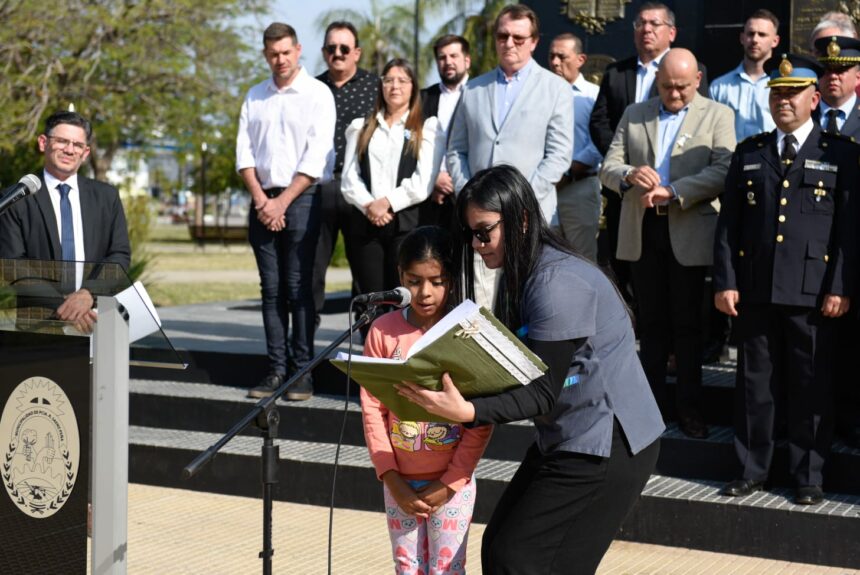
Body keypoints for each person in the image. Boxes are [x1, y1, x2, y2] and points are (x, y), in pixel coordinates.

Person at [397, 165, 664, 575]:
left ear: (521, 219)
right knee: (504, 548)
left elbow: (541, 391)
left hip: (608, 445)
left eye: (484, 231)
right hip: (569, 436)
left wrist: (466, 410)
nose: (477, 244)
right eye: (470, 234)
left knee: (520, 558)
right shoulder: (527, 272)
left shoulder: (556, 283)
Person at [714, 54, 857, 505]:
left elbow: (848, 230)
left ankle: (808, 474)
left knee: (810, 383)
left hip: (812, 291)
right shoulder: (751, 151)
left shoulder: (841, 153)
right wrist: (726, 280)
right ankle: (751, 468)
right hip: (756, 287)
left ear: (814, 99)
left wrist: (840, 285)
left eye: (792, 93)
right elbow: (729, 226)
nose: (783, 101)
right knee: (755, 383)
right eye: (777, 93)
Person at [600, 48, 735, 438]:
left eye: (681, 88)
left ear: (697, 80)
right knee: (652, 324)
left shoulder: (717, 114)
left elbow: (724, 169)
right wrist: (628, 174)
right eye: (666, 87)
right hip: (643, 230)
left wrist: (675, 191)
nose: (674, 95)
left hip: (688, 227)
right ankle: (650, 408)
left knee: (689, 325)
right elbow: (607, 166)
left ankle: (690, 409)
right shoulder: (635, 113)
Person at [361, 225, 492, 575]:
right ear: (400, 276)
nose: (425, 292)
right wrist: (390, 477)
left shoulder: (467, 331)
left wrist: (450, 483)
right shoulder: (383, 331)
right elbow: (373, 409)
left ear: (452, 279)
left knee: (447, 568)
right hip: (398, 482)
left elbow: (480, 417)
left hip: (453, 485)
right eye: (414, 280)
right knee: (407, 568)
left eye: (437, 281)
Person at [446, 3, 573, 307]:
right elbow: (456, 150)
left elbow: (558, 155)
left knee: (529, 302)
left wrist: (519, 202)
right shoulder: (473, 89)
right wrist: (469, 196)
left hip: (532, 217)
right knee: (482, 304)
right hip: (479, 224)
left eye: (518, 37)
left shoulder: (555, 88)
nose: (509, 43)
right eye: (503, 36)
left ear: (534, 41)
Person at [236, 22, 336, 401]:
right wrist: (264, 200)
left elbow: (316, 155)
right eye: (272, 54)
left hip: (303, 199)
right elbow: (243, 153)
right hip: (261, 200)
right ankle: (276, 370)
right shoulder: (254, 96)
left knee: (298, 289)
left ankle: (302, 372)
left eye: (286, 52)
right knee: (271, 290)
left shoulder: (317, 94)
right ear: (266, 55)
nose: (280, 60)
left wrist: (282, 202)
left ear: (298, 50)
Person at [590, 2, 708, 304]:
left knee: (679, 296)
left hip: (676, 197)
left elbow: (697, 127)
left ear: (671, 32)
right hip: (628, 190)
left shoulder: (693, 71)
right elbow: (600, 120)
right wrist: (625, 163)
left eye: (654, 24)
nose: (646, 29)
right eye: (640, 23)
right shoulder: (617, 72)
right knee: (630, 278)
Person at [0, 110, 131, 334]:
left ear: (86, 152)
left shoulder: (106, 196)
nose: (70, 150)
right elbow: (13, 263)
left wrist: (88, 295)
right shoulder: (18, 197)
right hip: (39, 322)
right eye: (61, 141)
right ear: (43, 142)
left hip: (94, 319)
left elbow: (119, 255)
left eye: (77, 145)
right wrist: (67, 307)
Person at [341, 59, 443, 313]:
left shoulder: (426, 127)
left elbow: (423, 181)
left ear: (413, 87)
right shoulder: (361, 126)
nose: (394, 86)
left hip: (405, 226)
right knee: (369, 300)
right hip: (367, 224)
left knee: (403, 299)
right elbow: (349, 177)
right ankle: (370, 351)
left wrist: (386, 203)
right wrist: (369, 206)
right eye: (388, 80)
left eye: (402, 80)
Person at [312, 21, 379, 327]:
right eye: (331, 48)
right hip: (316, 189)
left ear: (357, 53)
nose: (337, 54)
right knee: (311, 275)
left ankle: (369, 354)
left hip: (361, 192)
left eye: (344, 48)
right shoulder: (311, 89)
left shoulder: (375, 88)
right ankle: (304, 358)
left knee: (366, 279)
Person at [815, 35, 860, 449]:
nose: (833, 77)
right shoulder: (801, 117)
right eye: (826, 70)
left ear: (858, 76)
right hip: (811, 253)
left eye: (841, 70)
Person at [548, 32, 603, 261]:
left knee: (582, 259)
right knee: (545, 258)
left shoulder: (594, 95)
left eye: (562, 56)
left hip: (578, 186)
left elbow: (599, 141)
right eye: (551, 56)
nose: (554, 62)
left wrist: (569, 170)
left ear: (580, 59)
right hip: (544, 190)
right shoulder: (541, 94)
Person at [419, 34, 471, 230]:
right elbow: (411, 144)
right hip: (430, 197)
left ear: (467, 60)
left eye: (453, 56)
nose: (448, 62)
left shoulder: (481, 94)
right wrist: (434, 178)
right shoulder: (422, 98)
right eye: (442, 57)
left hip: (468, 194)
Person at [709, 9, 779, 141]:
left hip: (771, 159)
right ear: (742, 38)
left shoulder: (783, 87)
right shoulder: (718, 87)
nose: (755, 40)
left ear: (775, 41)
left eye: (762, 35)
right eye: (750, 34)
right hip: (730, 159)